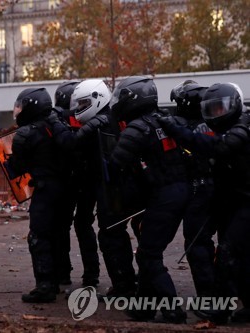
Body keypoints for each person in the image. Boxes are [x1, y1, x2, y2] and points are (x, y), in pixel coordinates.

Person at [158, 83, 250, 324]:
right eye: (212, 109)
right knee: (238, 254)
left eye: (221, 109)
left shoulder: (240, 129)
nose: (216, 115)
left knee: (229, 252)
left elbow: (217, 148)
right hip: (236, 199)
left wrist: (177, 132)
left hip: (245, 202)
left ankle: (219, 311)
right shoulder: (230, 128)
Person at [48, 79, 140, 297]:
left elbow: (70, 142)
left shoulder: (100, 121)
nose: (78, 110)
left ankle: (124, 286)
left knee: (111, 236)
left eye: (82, 104)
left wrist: (53, 120)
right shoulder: (111, 118)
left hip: (112, 187)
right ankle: (124, 283)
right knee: (111, 234)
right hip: (109, 185)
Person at [109, 76, 189, 323]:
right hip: (180, 191)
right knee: (148, 250)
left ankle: (172, 309)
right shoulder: (167, 119)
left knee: (148, 254)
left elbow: (116, 164)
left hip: (163, 195)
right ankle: (144, 308)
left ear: (132, 98)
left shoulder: (136, 127)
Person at [3, 88, 65, 303]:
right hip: (65, 188)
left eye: (21, 105)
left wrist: (8, 162)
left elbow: (18, 167)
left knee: (38, 237)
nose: (18, 110)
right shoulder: (57, 125)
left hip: (44, 190)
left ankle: (45, 287)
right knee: (57, 234)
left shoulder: (25, 134)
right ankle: (57, 280)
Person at [51, 79, 101, 287]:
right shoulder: (91, 119)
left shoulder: (60, 123)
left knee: (63, 226)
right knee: (83, 226)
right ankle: (91, 274)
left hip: (70, 181)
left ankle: (64, 273)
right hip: (86, 181)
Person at [169, 80, 217, 298]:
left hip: (200, 191)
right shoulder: (217, 123)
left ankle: (209, 297)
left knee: (197, 243)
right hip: (221, 190)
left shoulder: (186, 128)